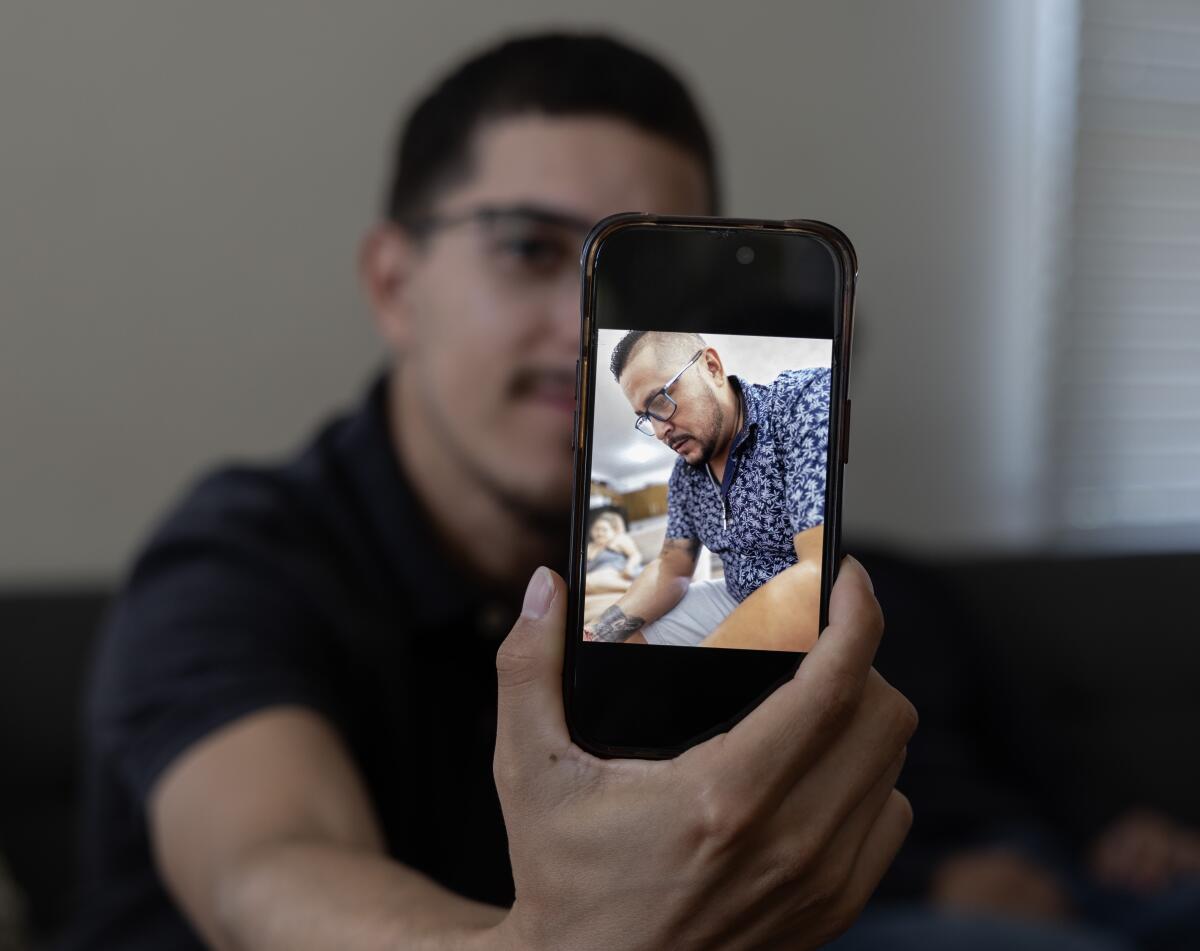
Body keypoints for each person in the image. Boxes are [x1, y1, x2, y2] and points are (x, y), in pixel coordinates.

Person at [63, 33, 916, 950]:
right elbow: (266, 869)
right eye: (528, 250)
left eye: (635, 273)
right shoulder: (237, 560)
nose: (582, 331)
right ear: (395, 286)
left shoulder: (643, 508)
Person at [584, 331, 829, 650]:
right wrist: (599, 630)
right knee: (615, 642)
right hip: (731, 593)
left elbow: (820, 573)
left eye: (660, 401)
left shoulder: (799, 401)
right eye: (646, 417)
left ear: (711, 367)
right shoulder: (685, 475)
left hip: (807, 602)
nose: (659, 432)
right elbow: (672, 564)